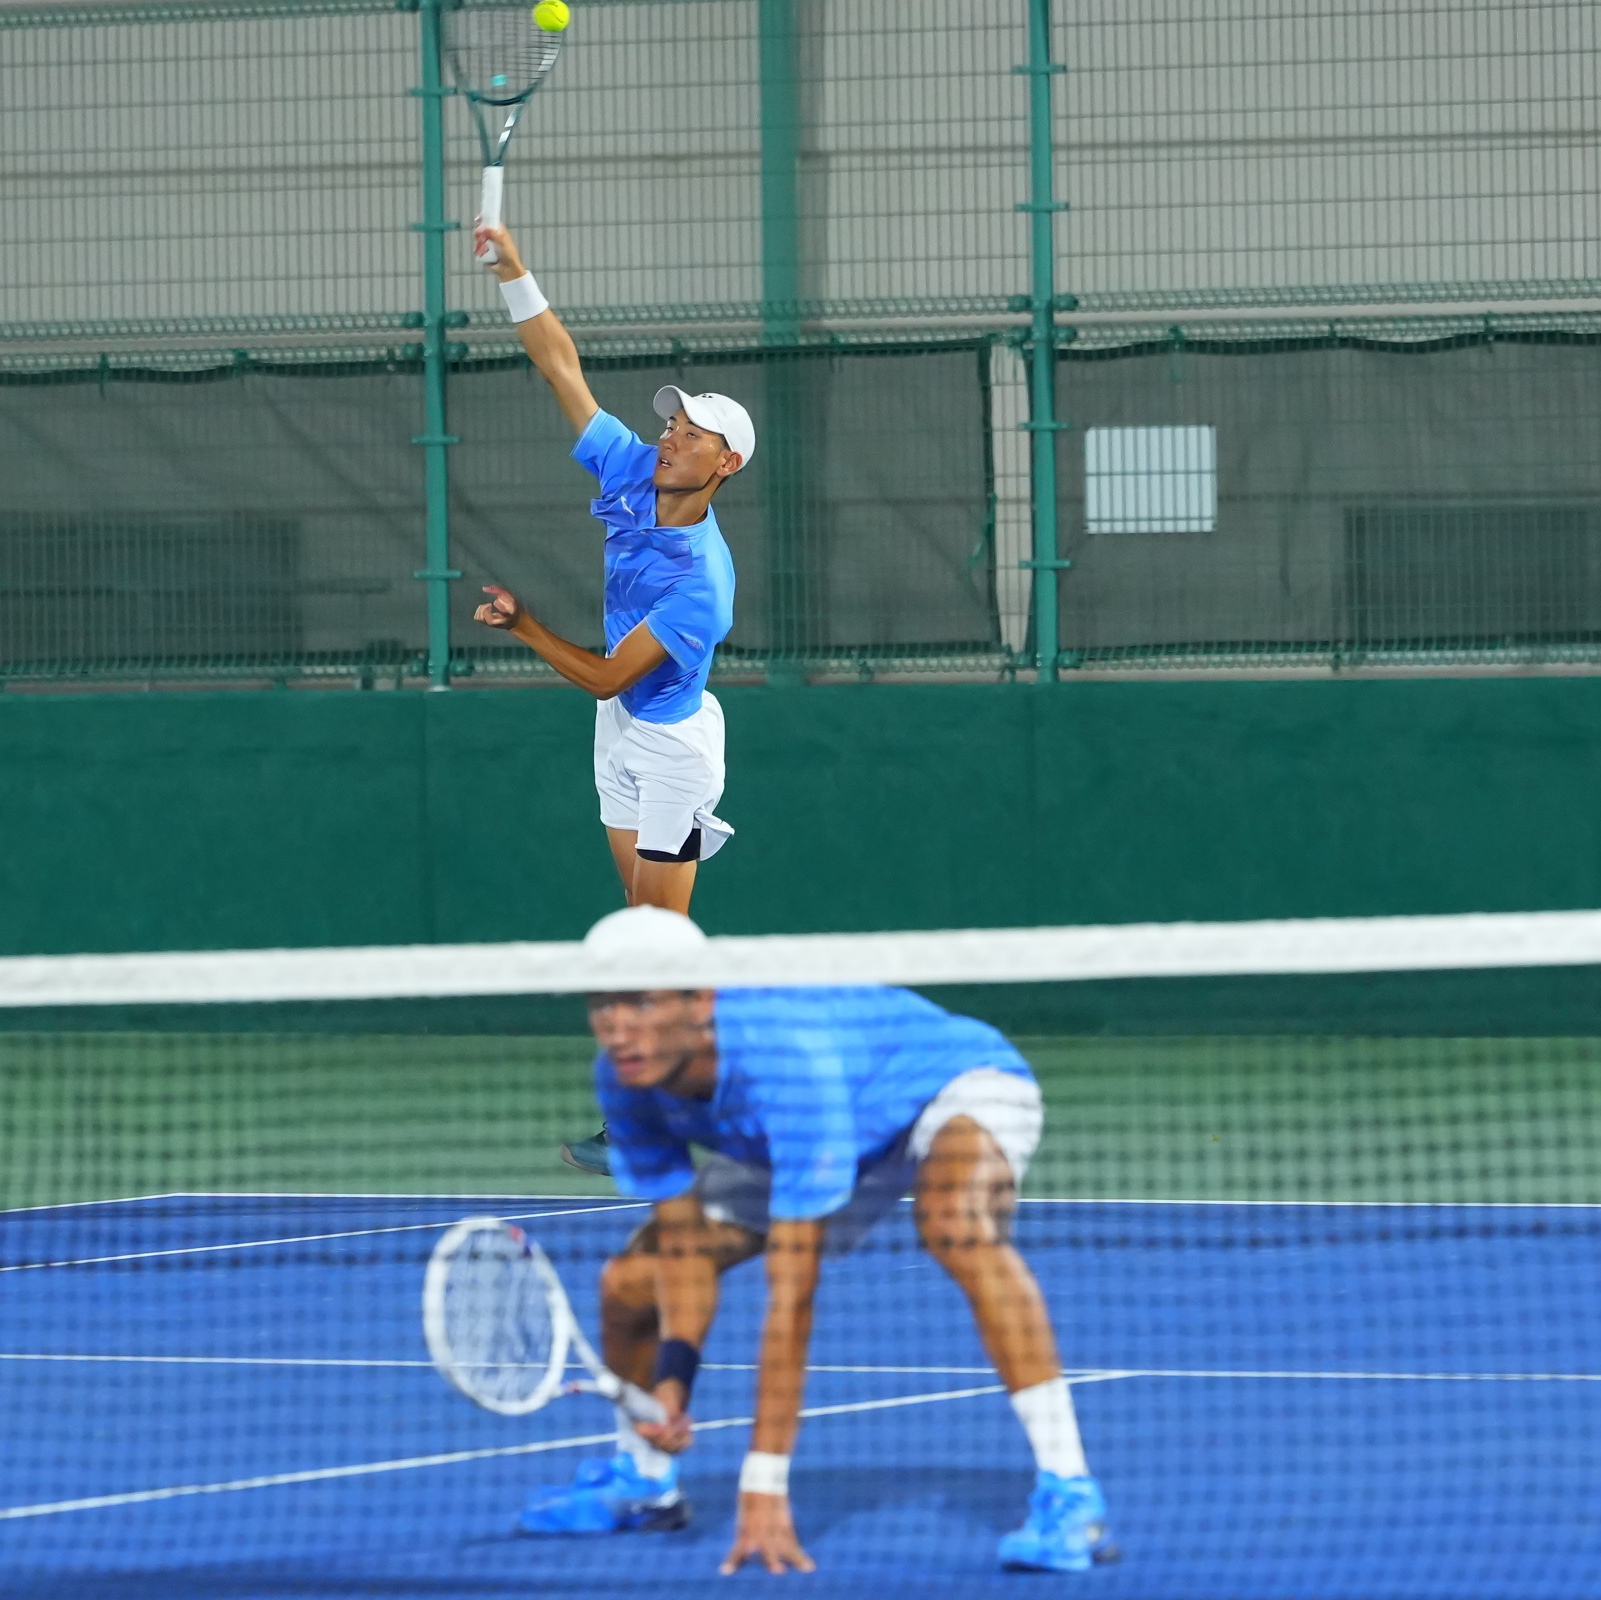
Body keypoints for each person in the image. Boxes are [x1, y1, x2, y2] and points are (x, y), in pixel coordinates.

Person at [515, 907, 1116, 1576]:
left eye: (643, 1003)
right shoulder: (624, 1079)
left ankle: (1072, 1492)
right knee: (630, 1280)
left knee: (957, 1227)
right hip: (813, 1131)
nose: (619, 1028)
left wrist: (765, 1482)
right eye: (603, 1005)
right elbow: (683, 1249)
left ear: (700, 1001)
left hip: (945, 1086)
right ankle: (644, 1480)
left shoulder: (781, 1061)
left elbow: (792, 1296)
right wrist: (673, 1377)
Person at [469, 222, 748, 1180]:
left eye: (692, 434)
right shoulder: (632, 470)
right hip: (617, 734)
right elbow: (561, 366)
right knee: (640, 931)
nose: (671, 437)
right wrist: (515, 272)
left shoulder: (701, 585)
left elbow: (601, 673)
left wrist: (525, 625)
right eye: (672, 426)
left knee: (655, 944)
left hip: (670, 751)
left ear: (725, 466)